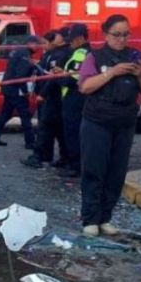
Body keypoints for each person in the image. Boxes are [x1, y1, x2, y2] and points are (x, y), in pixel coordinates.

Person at [77, 14, 141, 237]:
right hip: (97, 120)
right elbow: (85, 87)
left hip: (125, 122)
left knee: (116, 172)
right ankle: (90, 218)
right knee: (94, 169)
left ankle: (105, 217)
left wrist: (140, 75)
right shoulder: (95, 57)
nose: (121, 39)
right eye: (117, 34)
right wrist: (111, 72)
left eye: (126, 34)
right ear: (106, 34)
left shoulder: (135, 57)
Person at [22, 29, 70, 168]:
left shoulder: (59, 55)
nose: (44, 46)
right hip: (51, 96)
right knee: (58, 129)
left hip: (53, 97)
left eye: (45, 43)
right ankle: (62, 157)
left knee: (46, 127)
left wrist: (42, 93)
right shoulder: (50, 54)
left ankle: (40, 156)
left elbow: (52, 78)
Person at [0, 35, 43, 147]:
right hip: (16, 89)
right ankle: (30, 142)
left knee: (5, 114)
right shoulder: (24, 55)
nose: (38, 47)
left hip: (9, 88)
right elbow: (21, 76)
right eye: (37, 44)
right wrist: (25, 91)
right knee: (25, 116)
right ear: (30, 43)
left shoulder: (19, 52)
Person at [55, 23, 91, 176]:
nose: (70, 42)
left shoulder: (82, 54)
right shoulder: (77, 52)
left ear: (80, 38)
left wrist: (60, 76)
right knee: (70, 133)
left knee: (74, 133)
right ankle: (72, 163)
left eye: (73, 39)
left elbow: (76, 79)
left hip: (76, 98)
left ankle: (76, 167)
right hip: (71, 98)